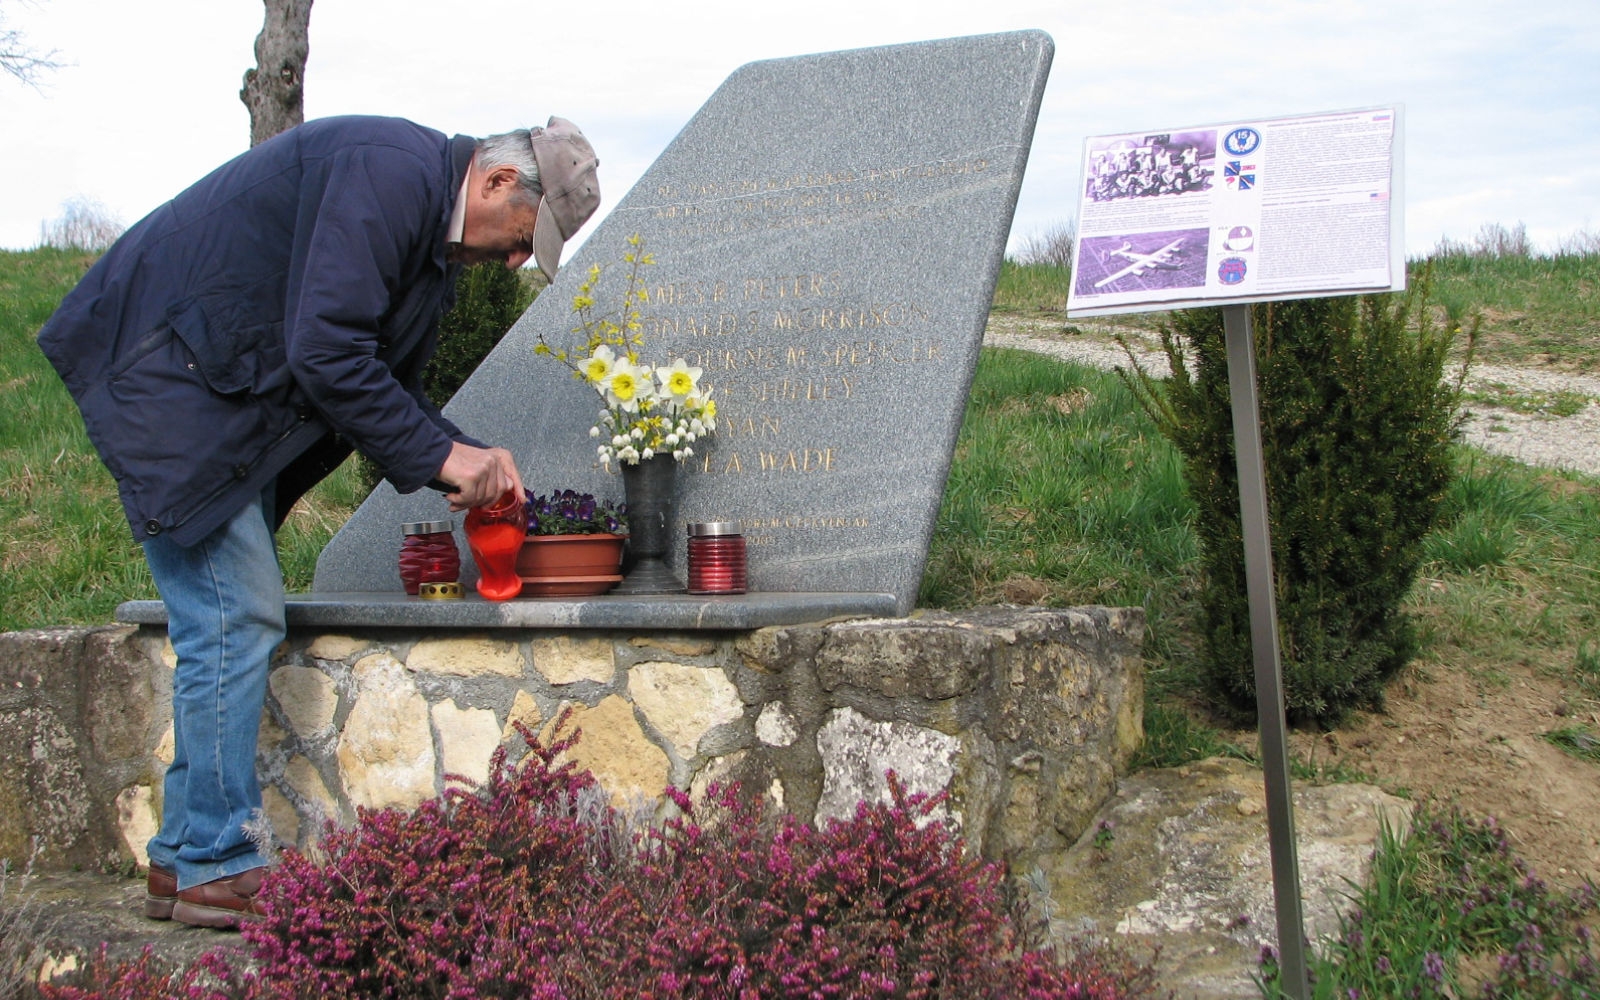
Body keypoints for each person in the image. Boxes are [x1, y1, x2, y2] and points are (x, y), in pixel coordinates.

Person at [36, 114, 600, 929]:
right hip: (172, 381)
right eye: (523, 238)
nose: (515, 261)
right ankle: (216, 860)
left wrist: (467, 453)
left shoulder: (425, 240)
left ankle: (184, 857)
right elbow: (326, 352)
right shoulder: (390, 173)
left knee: (220, 622)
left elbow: (382, 386)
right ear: (498, 181)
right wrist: (445, 459)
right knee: (236, 617)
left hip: (221, 399)